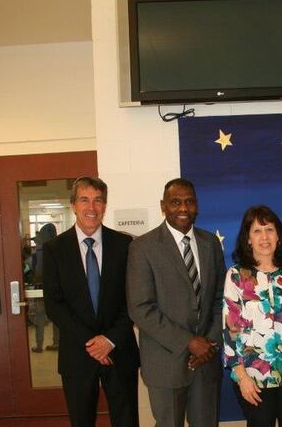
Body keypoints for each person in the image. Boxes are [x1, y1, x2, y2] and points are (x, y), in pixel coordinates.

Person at [127, 178, 226, 427]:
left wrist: (209, 343)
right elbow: (140, 308)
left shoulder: (210, 244)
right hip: (165, 364)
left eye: (189, 201)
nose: (183, 208)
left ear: (197, 206)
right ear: (163, 206)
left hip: (206, 362)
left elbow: (220, 300)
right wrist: (189, 342)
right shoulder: (143, 247)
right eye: (175, 202)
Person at [43, 176, 139, 427]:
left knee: (126, 421)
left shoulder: (125, 245)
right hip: (77, 354)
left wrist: (108, 340)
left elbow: (133, 299)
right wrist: (93, 344)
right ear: (73, 205)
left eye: (98, 201)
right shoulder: (54, 249)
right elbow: (54, 305)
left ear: (105, 206)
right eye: (84, 200)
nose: (91, 207)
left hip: (119, 351)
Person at [223, 205, 282, 427]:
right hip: (253, 378)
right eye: (256, 231)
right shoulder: (236, 276)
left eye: (269, 230)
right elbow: (230, 331)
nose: (264, 237)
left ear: (279, 236)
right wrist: (241, 377)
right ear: (247, 239)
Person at [30, 222, 59, 353]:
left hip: (41, 288)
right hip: (57, 289)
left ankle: (39, 345)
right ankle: (57, 342)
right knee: (57, 319)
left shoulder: (40, 250)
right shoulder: (59, 247)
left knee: (39, 318)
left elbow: (37, 271)